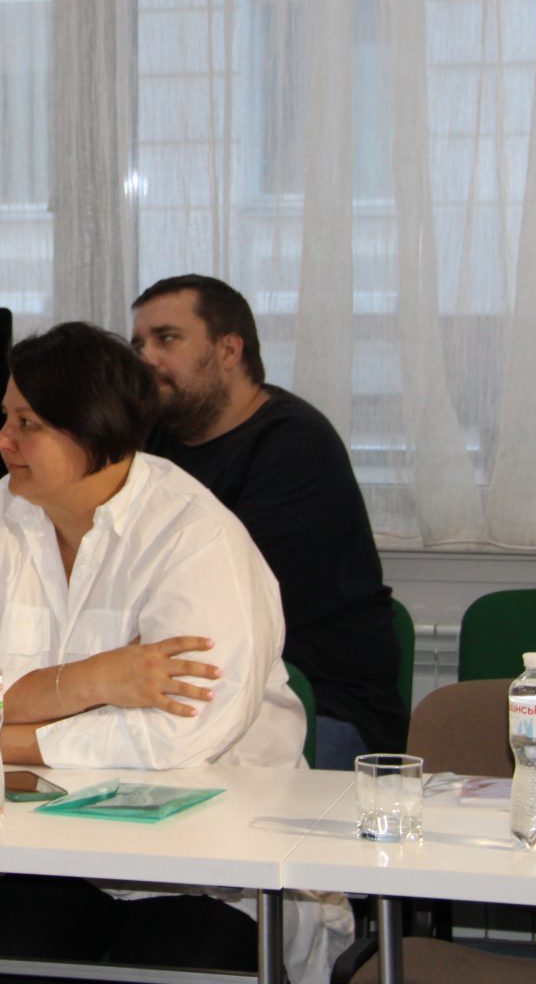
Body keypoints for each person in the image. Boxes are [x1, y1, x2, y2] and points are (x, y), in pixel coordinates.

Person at [0, 321, 350, 984]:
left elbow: (181, 736)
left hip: (203, 856)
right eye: (6, 417)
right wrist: (94, 680)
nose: (1, 440)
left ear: (95, 429)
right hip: (32, 844)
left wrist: (0, 741)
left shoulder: (196, 536)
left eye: (27, 424)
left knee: (182, 965)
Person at [131, 274, 407, 765]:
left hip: (317, 701)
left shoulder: (296, 445)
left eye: (166, 339)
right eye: (138, 344)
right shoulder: (150, 443)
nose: (146, 358)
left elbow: (215, 595)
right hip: (198, 689)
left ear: (229, 350)